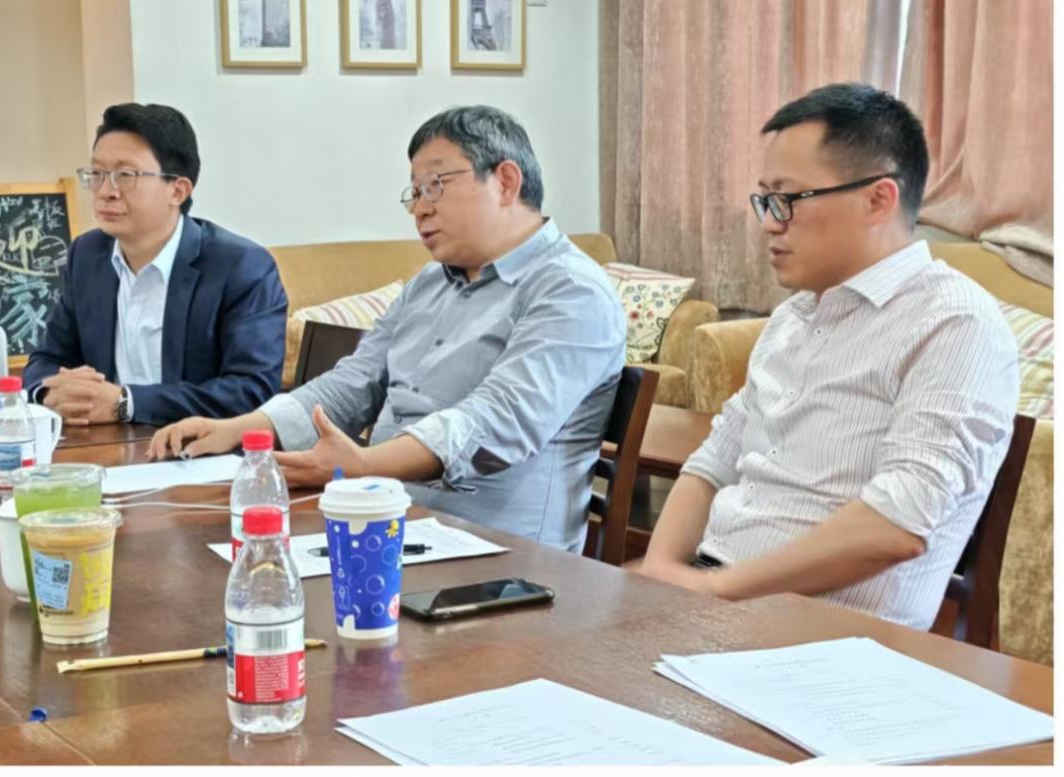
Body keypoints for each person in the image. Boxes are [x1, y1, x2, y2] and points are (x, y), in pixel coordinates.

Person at [149, 106, 626, 551]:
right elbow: (353, 382)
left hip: (500, 556)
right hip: (390, 523)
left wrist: (362, 466)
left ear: (505, 182)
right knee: (205, 550)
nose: (420, 209)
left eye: (435, 186)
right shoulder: (428, 284)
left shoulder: (572, 290)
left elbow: (497, 418)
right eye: (414, 193)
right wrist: (239, 429)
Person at [631, 84, 1019, 630]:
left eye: (788, 200)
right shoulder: (794, 317)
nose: (770, 223)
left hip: (827, 637)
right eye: (765, 200)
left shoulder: (954, 323)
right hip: (719, 606)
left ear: (878, 199)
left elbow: (898, 524)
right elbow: (714, 459)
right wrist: (661, 572)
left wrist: (717, 590)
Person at [23, 104, 287, 426]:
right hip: (100, 444)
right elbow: (48, 359)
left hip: (199, 449)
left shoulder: (242, 267)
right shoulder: (87, 255)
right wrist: (50, 393)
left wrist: (127, 403)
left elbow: (252, 391)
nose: (106, 192)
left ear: (178, 190)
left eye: (125, 176)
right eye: (97, 174)